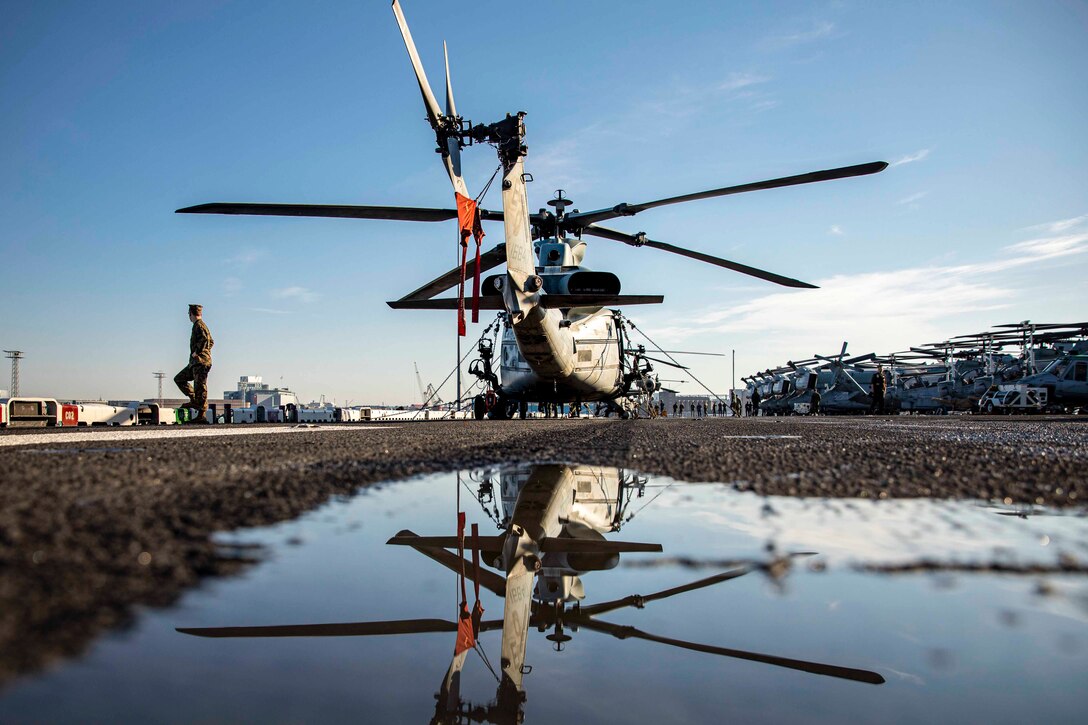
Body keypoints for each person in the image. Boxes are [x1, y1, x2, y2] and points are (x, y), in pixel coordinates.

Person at [174, 303, 214, 423]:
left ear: (191, 314)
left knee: (200, 386)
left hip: (200, 362)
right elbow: (211, 342)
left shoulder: (199, 325)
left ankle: (201, 415)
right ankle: (194, 400)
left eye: (189, 314)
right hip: (195, 363)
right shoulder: (198, 325)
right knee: (179, 379)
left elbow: (207, 340)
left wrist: (198, 352)